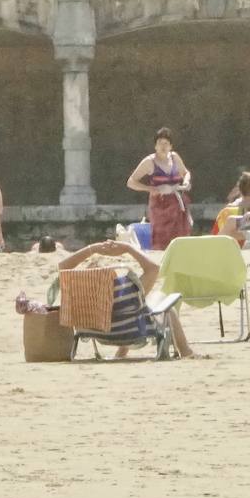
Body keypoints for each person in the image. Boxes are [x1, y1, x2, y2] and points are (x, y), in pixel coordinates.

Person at [58, 239, 194, 359]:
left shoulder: (80, 293)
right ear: (111, 275)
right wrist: (128, 248)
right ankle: (186, 351)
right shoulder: (124, 291)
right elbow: (154, 268)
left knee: (132, 306)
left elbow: (63, 267)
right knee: (164, 305)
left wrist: (92, 248)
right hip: (133, 332)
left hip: (101, 335)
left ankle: (121, 353)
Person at [126, 127, 192, 250]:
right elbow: (131, 182)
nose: (163, 146)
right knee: (161, 238)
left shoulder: (175, 157)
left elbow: (185, 172)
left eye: (166, 143)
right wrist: (150, 189)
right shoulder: (149, 162)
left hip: (177, 203)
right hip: (160, 205)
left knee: (180, 236)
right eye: (160, 143)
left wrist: (186, 181)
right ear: (155, 146)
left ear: (171, 146)